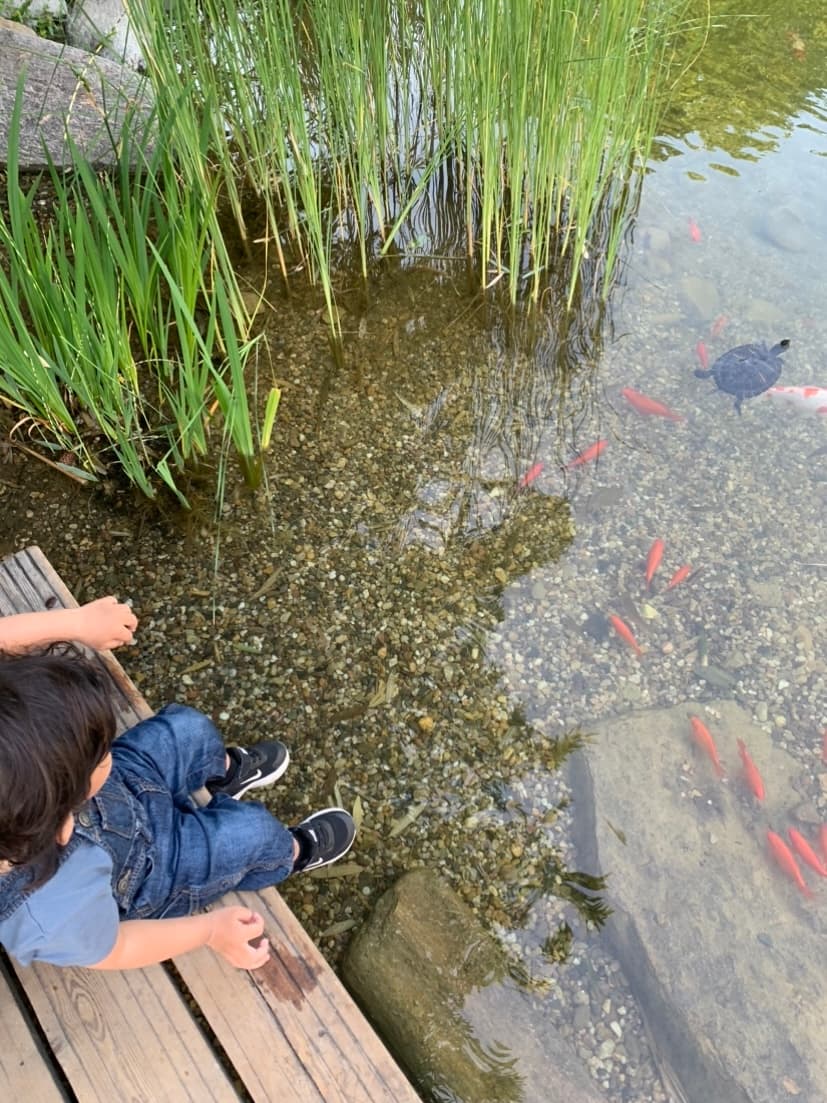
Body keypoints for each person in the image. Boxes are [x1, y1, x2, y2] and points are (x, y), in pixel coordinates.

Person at [0, 597, 356, 971]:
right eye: (98, 752)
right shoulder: (45, 910)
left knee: (187, 729)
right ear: (63, 824)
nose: (106, 749)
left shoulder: (40, 795)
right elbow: (117, 948)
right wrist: (210, 931)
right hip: (145, 872)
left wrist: (77, 622)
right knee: (252, 832)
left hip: (119, 790)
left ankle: (223, 772)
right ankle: (293, 851)